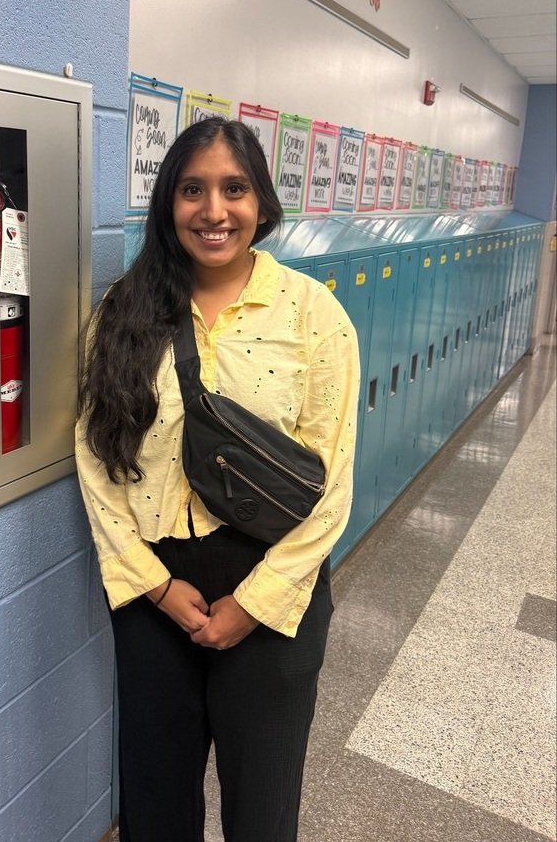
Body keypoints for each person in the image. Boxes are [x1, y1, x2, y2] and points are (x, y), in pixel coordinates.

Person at [76, 117, 359, 842]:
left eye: (233, 189)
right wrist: (156, 588)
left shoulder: (312, 316)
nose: (213, 211)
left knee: (262, 807)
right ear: (168, 203)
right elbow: (97, 461)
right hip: (153, 587)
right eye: (192, 190)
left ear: (260, 202)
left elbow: (331, 486)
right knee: (155, 799)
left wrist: (254, 603)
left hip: (272, 585)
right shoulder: (122, 314)